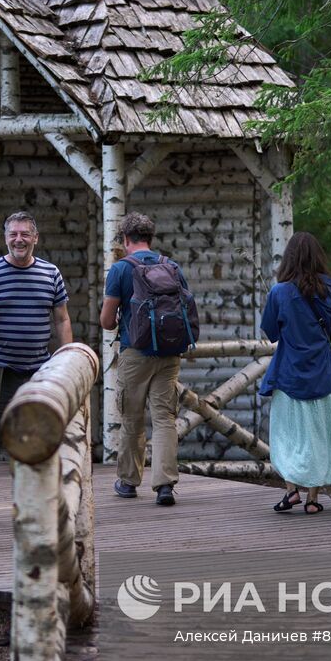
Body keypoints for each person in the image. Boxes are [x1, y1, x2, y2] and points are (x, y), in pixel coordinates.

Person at [0, 211, 73, 527]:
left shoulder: (50, 273)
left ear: (35, 238)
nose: (19, 239)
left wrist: (67, 359)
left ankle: (34, 505)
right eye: (13, 234)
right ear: (5, 238)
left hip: (38, 372)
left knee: (36, 439)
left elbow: (62, 319)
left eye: (25, 234)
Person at [259, 232, 331, 516]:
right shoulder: (329, 288)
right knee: (317, 436)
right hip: (323, 374)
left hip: (290, 375)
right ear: (318, 257)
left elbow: (272, 332)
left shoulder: (279, 292)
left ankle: (291, 492)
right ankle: (313, 500)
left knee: (289, 436)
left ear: (288, 258)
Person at [100, 212, 190, 507]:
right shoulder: (171, 267)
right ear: (150, 238)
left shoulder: (121, 270)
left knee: (132, 417)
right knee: (165, 418)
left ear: (126, 240)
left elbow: (106, 322)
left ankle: (128, 481)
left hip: (135, 353)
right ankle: (164, 485)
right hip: (169, 353)